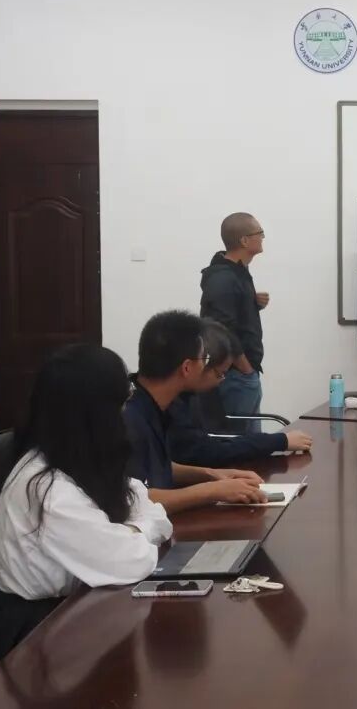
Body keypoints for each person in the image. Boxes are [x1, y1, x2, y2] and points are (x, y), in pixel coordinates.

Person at [0, 345, 173, 601]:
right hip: (41, 618)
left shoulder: (74, 459)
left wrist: (132, 532)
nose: (124, 414)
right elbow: (130, 561)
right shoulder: (48, 490)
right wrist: (139, 531)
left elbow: (149, 506)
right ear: (98, 414)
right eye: (122, 401)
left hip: (80, 603)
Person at [124, 310, 268, 514]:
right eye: (203, 358)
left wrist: (212, 475)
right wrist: (213, 491)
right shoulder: (128, 418)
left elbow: (157, 468)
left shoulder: (152, 404)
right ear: (187, 367)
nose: (206, 365)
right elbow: (134, 499)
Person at [167, 319, 312, 467]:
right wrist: (278, 441)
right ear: (191, 366)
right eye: (220, 374)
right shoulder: (170, 404)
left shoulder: (189, 394)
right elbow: (206, 451)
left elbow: (208, 446)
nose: (221, 380)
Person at [200, 212, 269, 430]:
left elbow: (230, 312)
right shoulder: (223, 278)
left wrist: (252, 302)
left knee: (251, 443)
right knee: (240, 442)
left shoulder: (237, 271)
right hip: (236, 377)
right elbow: (220, 329)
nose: (263, 237)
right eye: (260, 233)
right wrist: (245, 369)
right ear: (245, 241)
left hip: (242, 375)